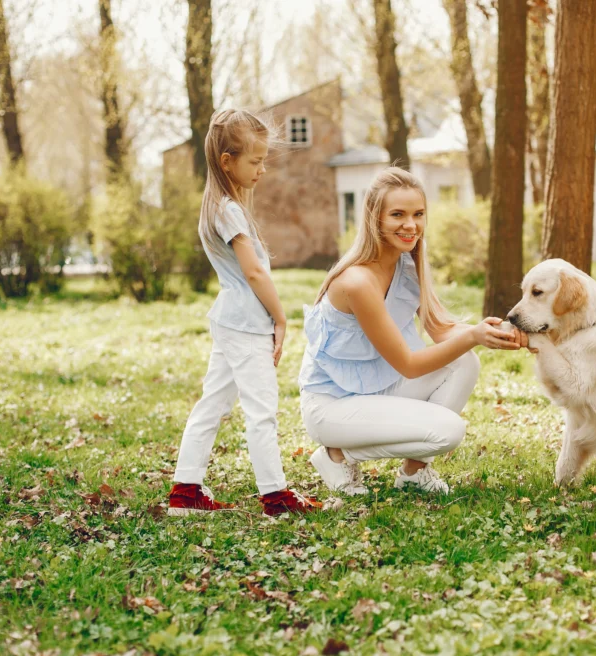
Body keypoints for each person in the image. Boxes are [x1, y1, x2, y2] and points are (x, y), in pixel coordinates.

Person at [298, 167, 528, 496]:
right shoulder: (357, 282)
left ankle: (413, 472)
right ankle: (337, 455)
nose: (411, 225)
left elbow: (440, 329)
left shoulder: (406, 263)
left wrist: (501, 332)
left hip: (375, 389)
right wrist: (472, 336)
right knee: (449, 431)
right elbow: (408, 364)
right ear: (374, 218)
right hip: (332, 407)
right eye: (398, 214)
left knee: (465, 362)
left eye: (418, 214)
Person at [167, 109, 322, 517]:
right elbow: (253, 271)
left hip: (230, 321)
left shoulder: (217, 205)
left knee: (212, 403)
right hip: (248, 325)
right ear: (226, 161)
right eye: (255, 161)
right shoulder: (230, 211)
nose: (262, 169)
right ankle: (275, 496)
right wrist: (281, 317)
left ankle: (185, 491)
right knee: (261, 410)